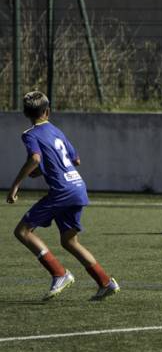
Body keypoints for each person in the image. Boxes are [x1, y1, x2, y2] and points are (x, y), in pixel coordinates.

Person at [6, 91, 120, 301]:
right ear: (48, 111)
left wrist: (15, 186)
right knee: (69, 241)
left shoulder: (30, 134)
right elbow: (75, 160)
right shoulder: (57, 131)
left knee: (22, 231)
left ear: (26, 113)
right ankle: (106, 282)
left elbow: (35, 158)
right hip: (78, 186)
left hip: (62, 191)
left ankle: (60, 273)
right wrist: (44, 169)